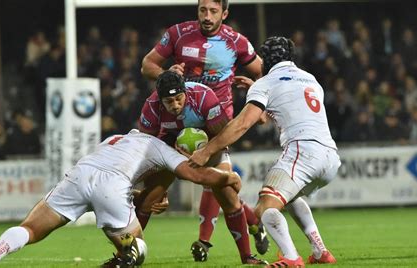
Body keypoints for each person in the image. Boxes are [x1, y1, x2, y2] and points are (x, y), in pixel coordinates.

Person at [0, 129, 242, 268]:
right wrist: (229, 178)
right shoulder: (163, 148)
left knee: (30, 228)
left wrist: (136, 195)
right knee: (138, 248)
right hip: (112, 186)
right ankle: (125, 252)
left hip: (81, 175)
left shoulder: (119, 137)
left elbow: (104, 168)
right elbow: (197, 176)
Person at [189, 36, 340, 267]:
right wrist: (258, 92)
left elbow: (242, 124)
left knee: (264, 210)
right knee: (290, 196)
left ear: (265, 62)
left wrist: (207, 151)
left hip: (303, 152)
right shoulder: (310, 79)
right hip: (330, 157)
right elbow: (286, 107)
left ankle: (291, 258)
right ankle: (320, 251)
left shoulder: (266, 83)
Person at [141, 0, 265, 260]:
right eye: (202, 10)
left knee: (221, 189)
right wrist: (166, 73)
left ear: (225, 13)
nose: (207, 16)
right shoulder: (178, 33)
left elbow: (265, 72)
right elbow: (147, 65)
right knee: (154, 190)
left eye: (213, 11)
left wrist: (257, 90)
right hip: (175, 122)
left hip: (215, 124)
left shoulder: (236, 41)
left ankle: (233, 249)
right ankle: (128, 250)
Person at [136, 70, 267, 264]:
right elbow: (147, 147)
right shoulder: (151, 107)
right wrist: (160, 186)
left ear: (185, 93)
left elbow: (222, 136)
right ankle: (128, 252)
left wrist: (204, 154)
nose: (175, 105)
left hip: (210, 144)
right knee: (150, 197)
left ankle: (247, 257)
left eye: (178, 99)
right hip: (169, 148)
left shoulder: (204, 97)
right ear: (160, 99)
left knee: (228, 195)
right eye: (169, 102)